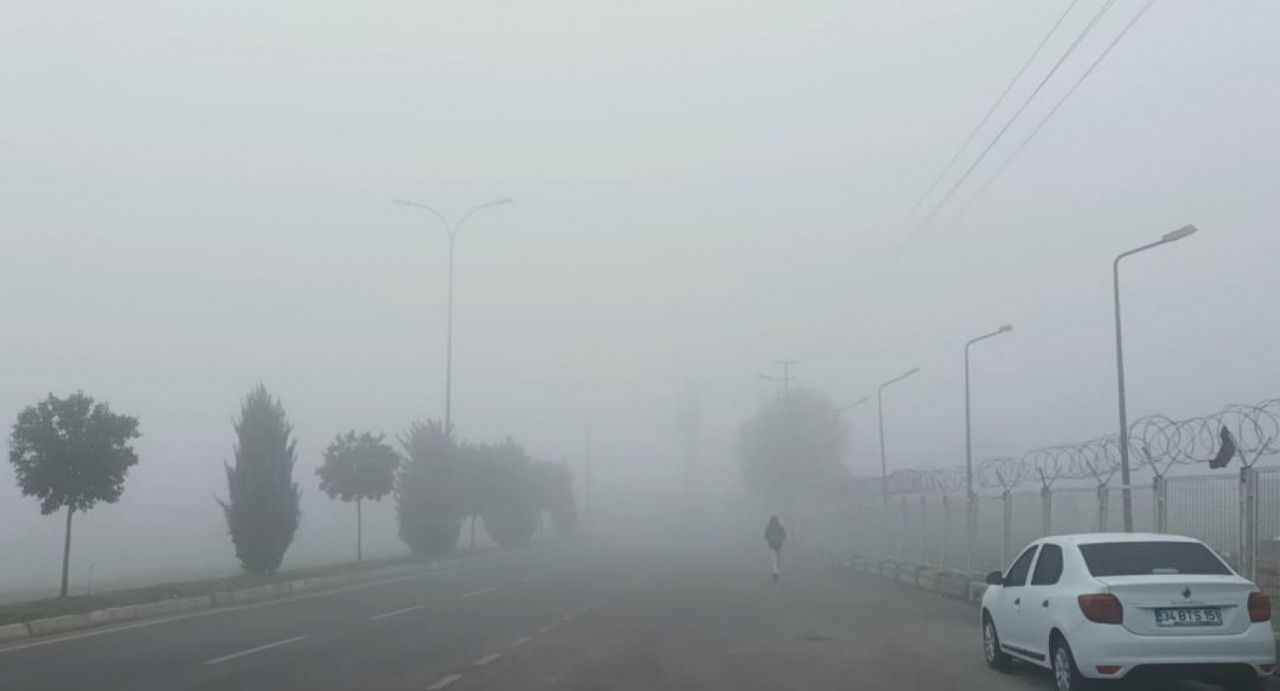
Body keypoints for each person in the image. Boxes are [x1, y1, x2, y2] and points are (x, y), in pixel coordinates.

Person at [765, 514, 786, 582]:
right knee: (777, 557)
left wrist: (769, 540)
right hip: (778, 544)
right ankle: (776, 571)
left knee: (774, 558)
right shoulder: (779, 526)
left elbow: (766, 535)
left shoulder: (769, 527)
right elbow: (783, 534)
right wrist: (781, 539)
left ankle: (775, 571)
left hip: (772, 544)